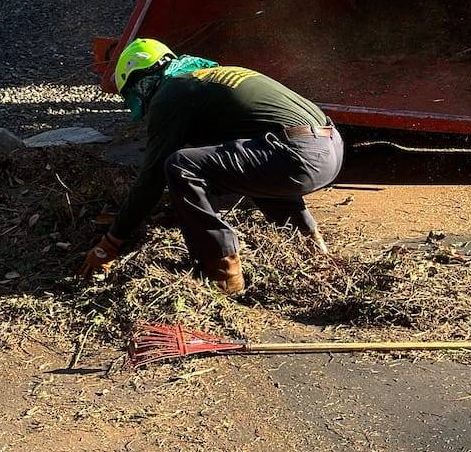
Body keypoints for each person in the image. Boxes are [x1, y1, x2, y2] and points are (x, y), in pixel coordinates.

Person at [79, 38, 340, 295]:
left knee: (181, 165)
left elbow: (152, 179)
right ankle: (310, 246)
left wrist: (111, 242)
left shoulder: (172, 92)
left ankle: (222, 271)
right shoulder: (208, 78)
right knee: (243, 162)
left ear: (144, 78)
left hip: (299, 156)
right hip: (329, 149)